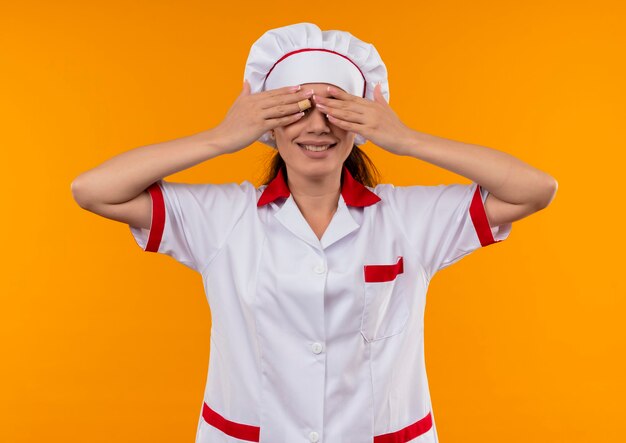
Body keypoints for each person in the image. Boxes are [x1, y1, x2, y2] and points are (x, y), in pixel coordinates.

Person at [71, 23, 557, 443]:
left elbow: (535, 189)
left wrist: (406, 139)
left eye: (336, 109)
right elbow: (92, 190)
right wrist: (220, 137)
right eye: (297, 109)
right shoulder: (222, 216)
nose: (317, 126)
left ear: (361, 121)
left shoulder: (410, 218)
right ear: (270, 124)